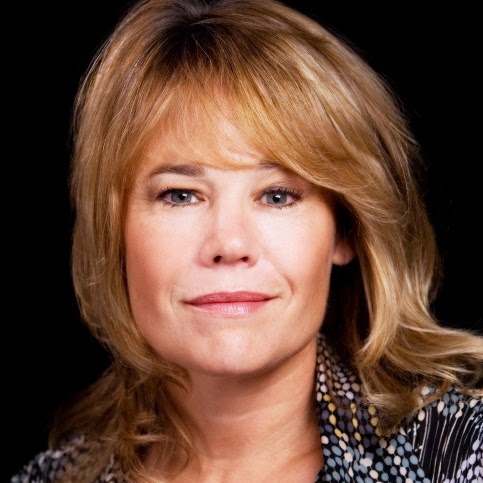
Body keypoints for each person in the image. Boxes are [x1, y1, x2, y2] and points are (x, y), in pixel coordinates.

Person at [11, 0, 483, 481]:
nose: (230, 243)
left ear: (346, 230)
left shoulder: (461, 455)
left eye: (278, 196)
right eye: (181, 195)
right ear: (113, 231)